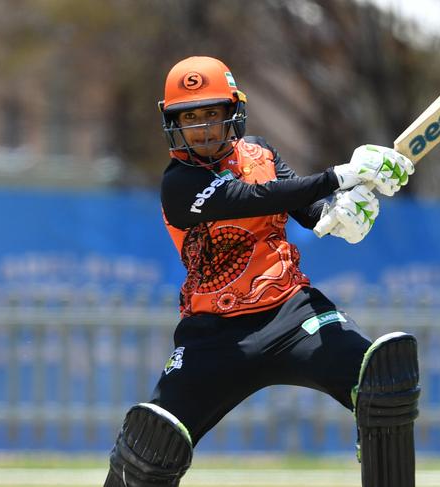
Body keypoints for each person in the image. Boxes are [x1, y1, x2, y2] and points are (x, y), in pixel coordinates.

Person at [104, 56, 420, 487]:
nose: (201, 129)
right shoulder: (178, 185)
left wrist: (343, 216)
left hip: (293, 314)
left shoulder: (261, 152)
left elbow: (307, 211)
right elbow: (255, 198)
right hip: (214, 335)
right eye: (189, 118)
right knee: (148, 448)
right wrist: (340, 176)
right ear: (171, 122)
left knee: (382, 384)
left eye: (211, 115)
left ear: (232, 112)